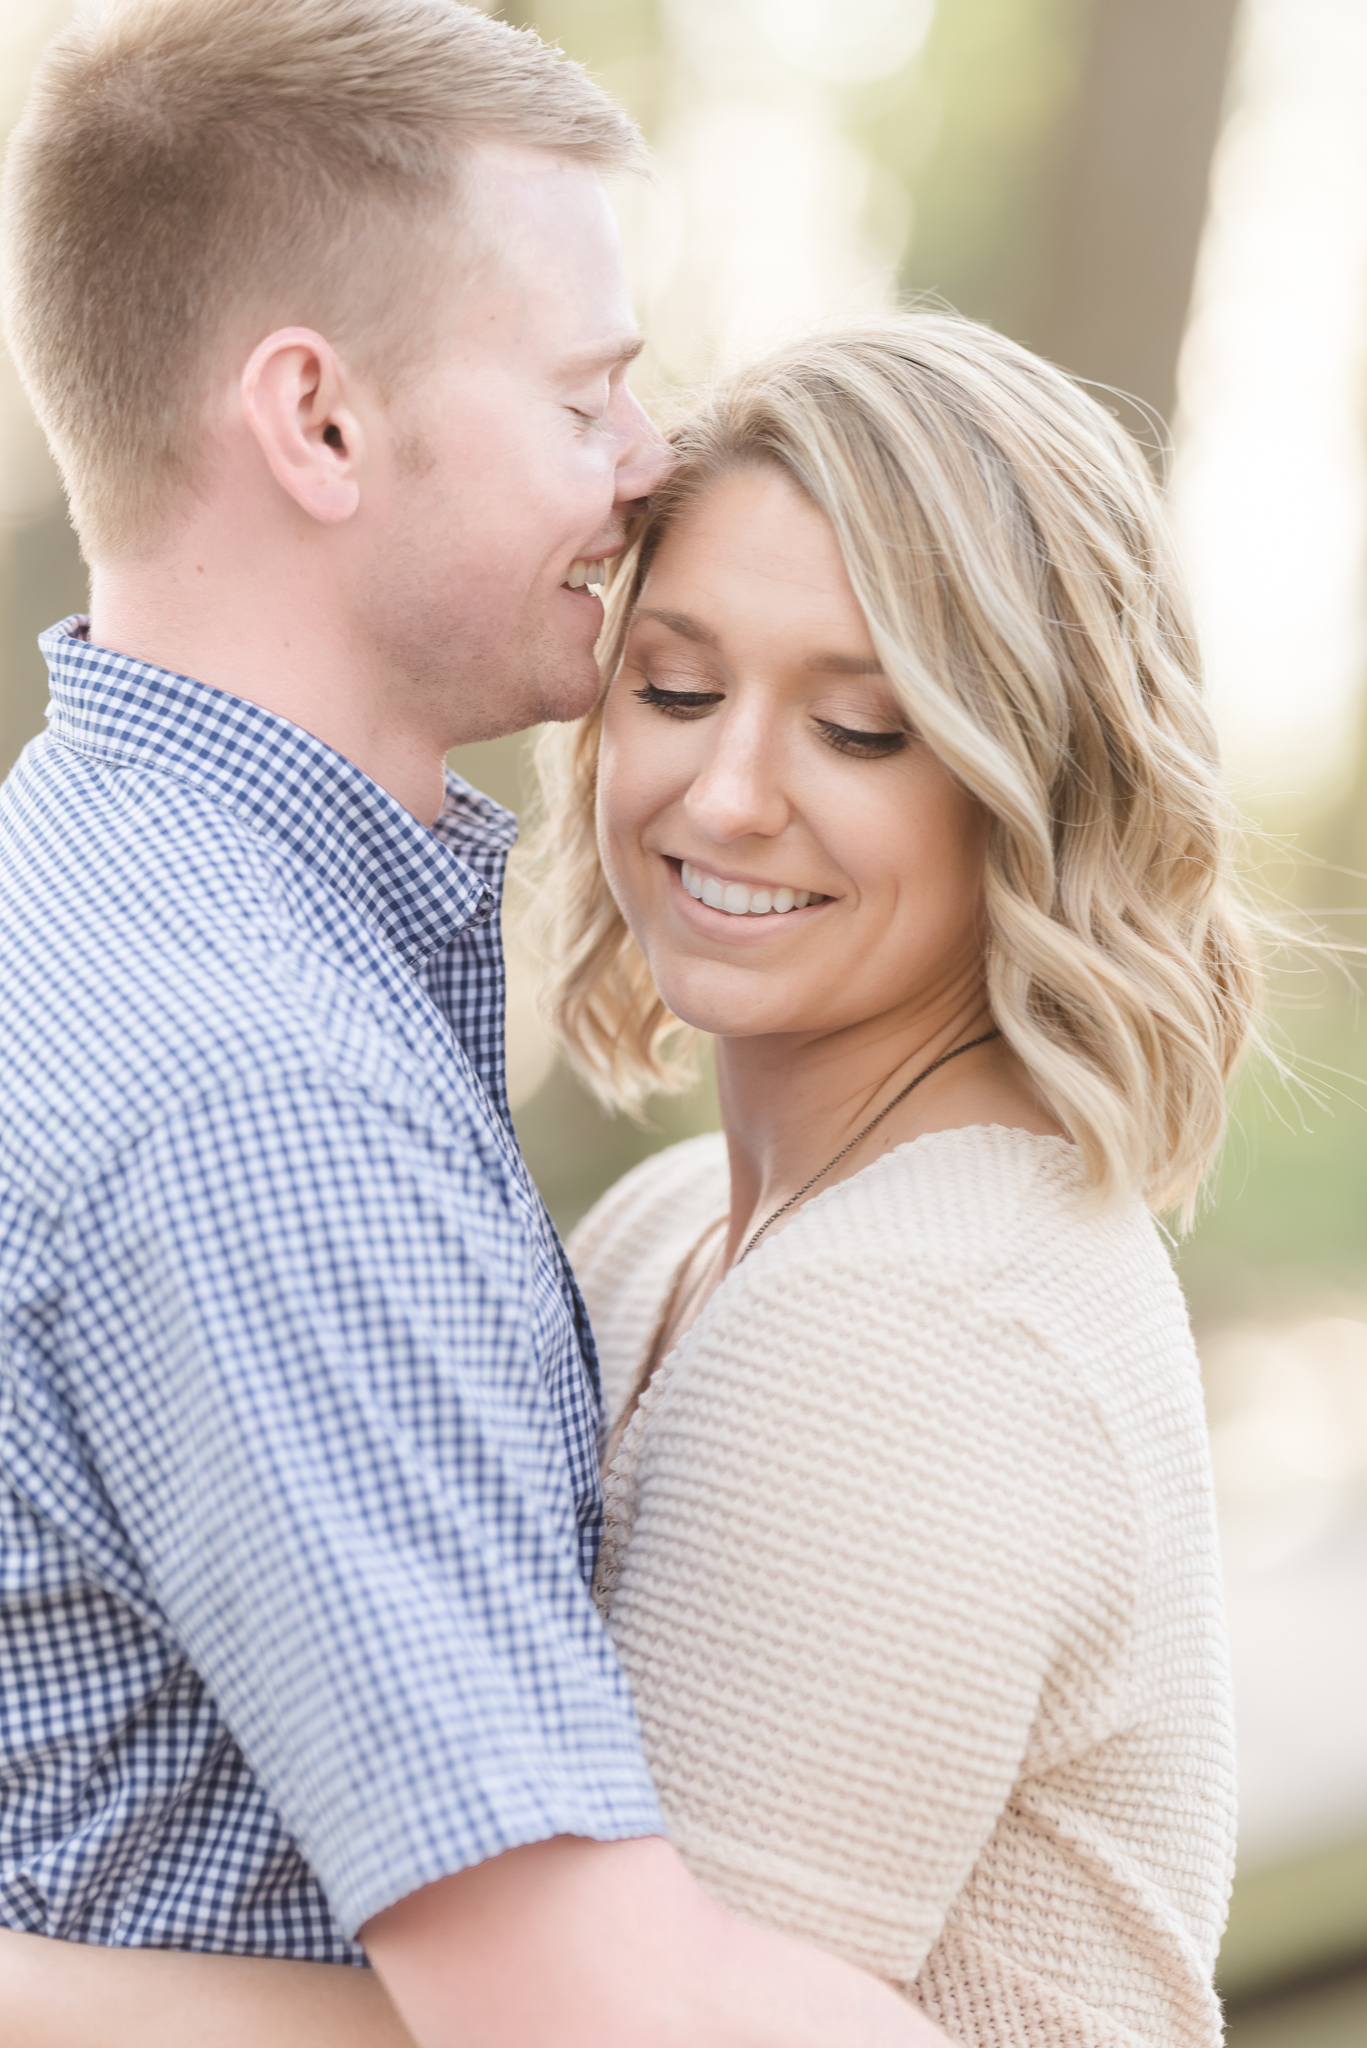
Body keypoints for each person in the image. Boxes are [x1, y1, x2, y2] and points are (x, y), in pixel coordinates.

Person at [7, 314, 1255, 2044]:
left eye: (866, 731)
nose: (729, 793)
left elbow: (580, 2024)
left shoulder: (921, 1329)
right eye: (676, 687)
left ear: (1033, 785)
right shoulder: (679, 1227)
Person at [0, 5, 953, 2046]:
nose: (651, 463)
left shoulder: (72, 886)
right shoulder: (260, 1102)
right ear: (318, 423)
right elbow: (587, 2021)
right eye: (587, 391)